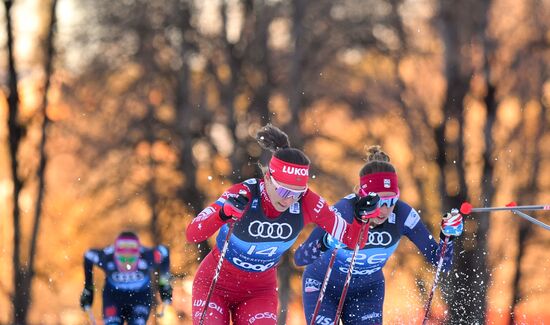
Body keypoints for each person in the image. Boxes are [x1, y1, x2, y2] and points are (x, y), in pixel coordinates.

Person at [186, 124, 380, 325]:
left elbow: (352, 241)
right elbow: (192, 233)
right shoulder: (243, 194)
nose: (288, 200)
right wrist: (223, 213)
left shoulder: (307, 202)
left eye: (296, 194)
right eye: (284, 191)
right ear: (268, 178)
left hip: (259, 292)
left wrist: (361, 219)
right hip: (215, 284)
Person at [294, 145, 464, 325]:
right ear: (363, 196)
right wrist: (327, 242)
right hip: (324, 286)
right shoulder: (343, 211)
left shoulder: (404, 215)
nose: (385, 209)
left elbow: (441, 264)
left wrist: (448, 237)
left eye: (391, 200)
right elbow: (300, 257)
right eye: (379, 201)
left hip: (366, 291)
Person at [79, 231, 172, 325]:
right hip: (113, 297)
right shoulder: (107, 257)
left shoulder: (148, 257)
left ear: (138, 253)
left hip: (140, 297)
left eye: (131, 258)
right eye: (122, 258)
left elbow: (165, 251)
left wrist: (164, 284)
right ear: (115, 254)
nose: (127, 263)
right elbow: (88, 255)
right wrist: (88, 288)